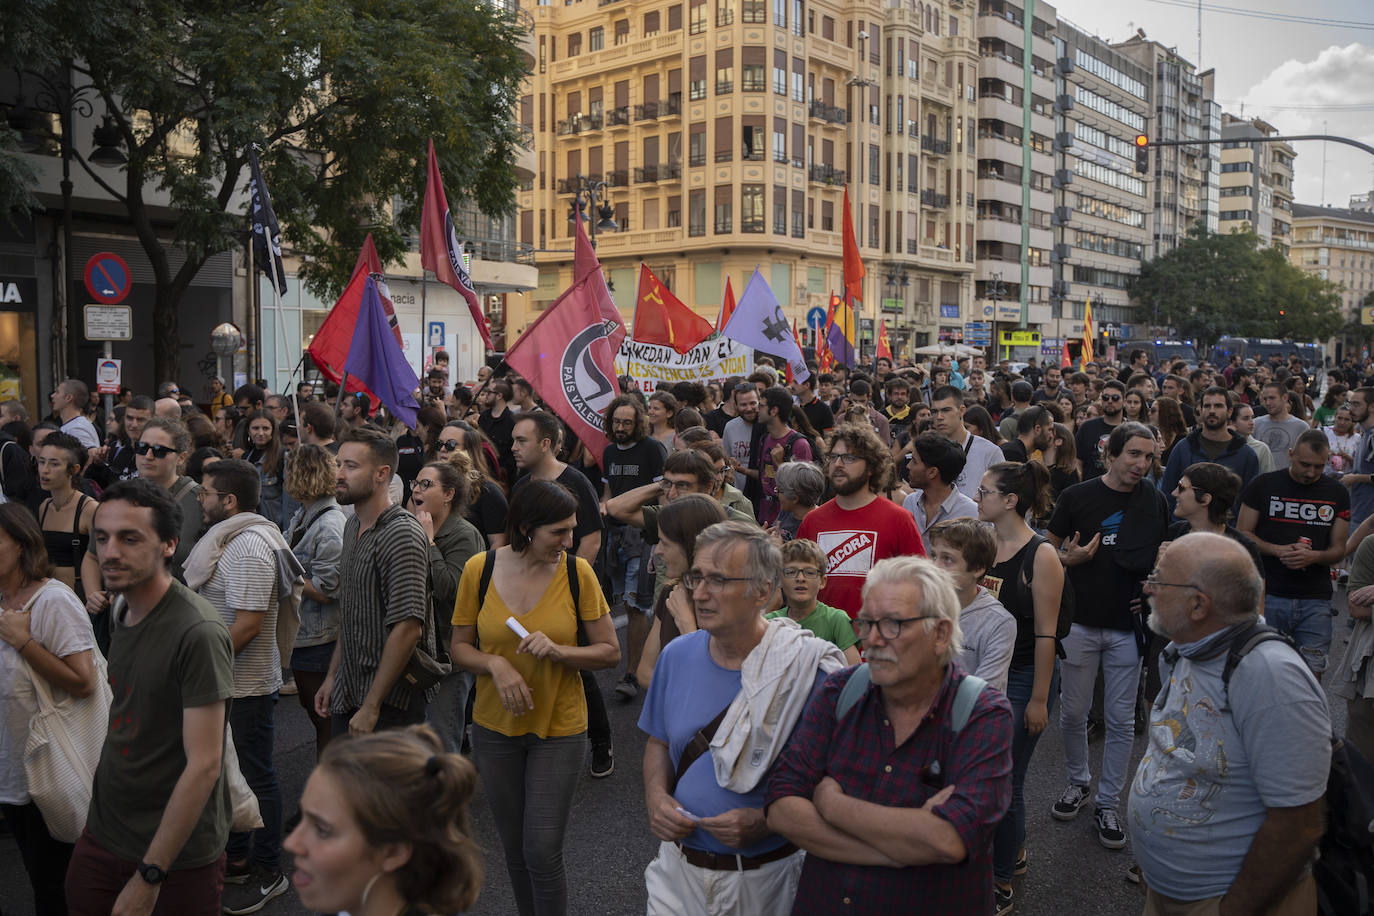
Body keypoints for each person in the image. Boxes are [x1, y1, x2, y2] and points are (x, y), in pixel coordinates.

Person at [765, 555, 1014, 916]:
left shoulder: (981, 712)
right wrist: (898, 846)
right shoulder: (839, 691)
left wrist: (833, 805)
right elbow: (780, 804)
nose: (873, 640)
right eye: (866, 623)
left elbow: (951, 838)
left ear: (940, 634)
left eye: (894, 624)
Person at [640, 522, 842, 916]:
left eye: (718, 580)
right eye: (696, 577)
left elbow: (834, 786)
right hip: (675, 873)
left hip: (765, 882)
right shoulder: (677, 655)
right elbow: (658, 743)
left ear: (763, 592)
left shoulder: (807, 673)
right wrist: (656, 798)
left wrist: (768, 821)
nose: (699, 593)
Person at [1130, 533, 1331, 915]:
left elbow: (1298, 824)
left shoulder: (1271, 675)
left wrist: (1233, 910)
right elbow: (1170, 759)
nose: (1147, 586)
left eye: (1158, 578)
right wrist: (1153, 861)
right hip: (1170, 893)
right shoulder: (1186, 649)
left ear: (1198, 604)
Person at [449, 480, 620, 916]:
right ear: (526, 527)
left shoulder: (577, 573)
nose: (569, 542)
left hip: (559, 728)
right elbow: (459, 647)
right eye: (558, 533)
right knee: (515, 851)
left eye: (572, 530)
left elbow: (609, 652)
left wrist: (562, 651)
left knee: (542, 851)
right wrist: (496, 665)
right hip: (494, 728)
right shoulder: (479, 569)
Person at [65, 479, 235, 916]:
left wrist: (151, 874)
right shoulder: (122, 608)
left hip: (174, 857)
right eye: (101, 538)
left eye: (130, 538)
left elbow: (204, 765)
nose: (110, 551)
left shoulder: (196, 632)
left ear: (169, 545)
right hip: (105, 833)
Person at [1047, 422, 1168, 851]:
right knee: (1074, 713)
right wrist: (1068, 559)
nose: (1142, 464)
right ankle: (1078, 782)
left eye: (1149, 456)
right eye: (1134, 454)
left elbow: (1165, 554)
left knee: (1121, 722)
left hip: (1127, 630)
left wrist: (1154, 591)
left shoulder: (1155, 500)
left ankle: (1107, 802)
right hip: (1078, 624)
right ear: (1110, 455)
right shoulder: (1077, 496)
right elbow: (1047, 550)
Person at [182, 456, 293, 913]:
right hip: (224, 682)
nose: (200, 499)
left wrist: (197, 663)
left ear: (228, 501)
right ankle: (239, 860)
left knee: (255, 776)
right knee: (229, 777)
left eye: (206, 493)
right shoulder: (226, 537)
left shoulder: (247, 547)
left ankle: (269, 870)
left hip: (242, 686)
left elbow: (247, 626)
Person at [0, 504, 103, 916]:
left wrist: (24, 643)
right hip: (11, 765)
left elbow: (84, 682)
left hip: (47, 767)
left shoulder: (53, 601)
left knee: (55, 888)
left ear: (23, 546)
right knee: (36, 874)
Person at [974, 461, 1064, 910]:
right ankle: (1017, 850)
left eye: (985, 490)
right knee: (997, 776)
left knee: (1005, 782)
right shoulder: (984, 542)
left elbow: (1048, 633)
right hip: (987, 672)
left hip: (1025, 673)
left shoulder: (1041, 554)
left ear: (1010, 500)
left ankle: (1001, 879)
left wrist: (1039, 700)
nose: (977, 496)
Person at [510, 411, 614, 775]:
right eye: (513, 441)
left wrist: (566, 586)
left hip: (568, 593)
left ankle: (600, 742)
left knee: (576, 665)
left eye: (521, 441)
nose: (513, 448)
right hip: (528, 593)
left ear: (545, 444)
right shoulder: (522, 485)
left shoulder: (576, 481)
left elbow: (591, 539)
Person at [285, 725, 483, 916]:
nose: (291, 843)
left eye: (322, 830)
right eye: (303, 819)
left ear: (393, 851)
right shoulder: (346, 903)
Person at [317, 427, 438, 734]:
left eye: (351, 466)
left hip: (389, 706)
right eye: (338, 464)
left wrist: (372, 707)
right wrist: (334, 676)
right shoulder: (352, 524)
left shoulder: (401, 534)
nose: (339, 473)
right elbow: (352, 612)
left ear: (382, 473)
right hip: (352, 692)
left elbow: (408, 628)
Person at [1236, 429, 1350, 678]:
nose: (1311, 473)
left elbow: (1339, 549)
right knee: (1264, 672)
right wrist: (1277, 550)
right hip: (1269, 594)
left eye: (1319, 467)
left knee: (1310, 676)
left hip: (1315, 599)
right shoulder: (1264, 485)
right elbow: (1242, 532)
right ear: (1290, 455)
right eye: (1305, 464)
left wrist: (1315, 557)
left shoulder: (1336, 493)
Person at [798, 423, 927, 617]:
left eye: (849, 457)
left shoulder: (898, 519)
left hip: (877, 641)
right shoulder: (813, 520)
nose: (838, 464)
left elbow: (921, 584)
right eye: (834, 457)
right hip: (822, 643)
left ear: (870, 467)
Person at [412, 460, 484, 753]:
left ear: (449, 494)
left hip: (449, 653)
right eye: (415, 483)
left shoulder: (463, 535)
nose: (416, 489)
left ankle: (449, 795)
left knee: (443, 736)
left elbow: (450, 590)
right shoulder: (414, 526)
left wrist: (429, 543)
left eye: (426, 484)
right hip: (420, 648)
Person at [601, 394, 669, 700]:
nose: (621, 427)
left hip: (642, 535)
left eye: (627, 422)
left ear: (638, 423)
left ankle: (632, 673)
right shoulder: (609, 452)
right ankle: (645, 660)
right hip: (614, 536)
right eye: (616, 421)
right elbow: (607, 490)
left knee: (635, 602)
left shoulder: (652, 449)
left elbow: (664, 492)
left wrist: (663, 533)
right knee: (625, 600)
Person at [283, 445, 346, 761]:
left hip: (319, 638)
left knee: (324, 719)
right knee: (316, 713)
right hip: (304, 632)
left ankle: (330, 794)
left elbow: (327, 590)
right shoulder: (305, 512)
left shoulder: (328, 524)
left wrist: (286, 574)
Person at [633, 495, 730, 687]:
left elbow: (711, 684)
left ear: (692, 545)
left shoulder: (730, 604)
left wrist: (686, 625)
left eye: (665, 543)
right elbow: (644, 672)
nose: (658, 551)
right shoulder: (671, 593)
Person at [927, 518, 1016, 692]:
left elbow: (984, 692)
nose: (934, 566)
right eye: (934, 556)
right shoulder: (919, 605)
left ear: (978, 569)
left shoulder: (999, 622)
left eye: (947, 559)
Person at [765, 538, 862, 665]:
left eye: (809, 572)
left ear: (822, 581)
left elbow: (853, 674)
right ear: (780, 581)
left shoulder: (836, 620)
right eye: (791, 572)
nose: (800, 578)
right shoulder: (770, 623)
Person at [1159, 387, 1259, 507]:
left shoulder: (1246, 455)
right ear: (1200, 411)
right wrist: (1176, 523)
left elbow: (1248, 502)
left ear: (1229, 411)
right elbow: (1167, 493)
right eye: (1207, 406)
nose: (1212, 411)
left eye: (1218, 406)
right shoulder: (1182, 448)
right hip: (1185, 523)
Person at [35, 431, 98, 603]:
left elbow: (103, 559)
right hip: (47, 598)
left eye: (54, 464)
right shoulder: (44, 507)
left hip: (81, 599)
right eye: (41, 462)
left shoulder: (89, 508)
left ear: (74, 469)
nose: (45, 470)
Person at [901, 431, 978, 542]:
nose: (908, 466)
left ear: (932, 472)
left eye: (914, 461)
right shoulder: (910, 502)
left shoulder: (970, 513)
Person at [929, 386, 1003, 499]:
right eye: (934, 411)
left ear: (962, 410)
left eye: (946, 410)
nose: (939, 417)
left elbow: (1002, 498)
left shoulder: (989, 452)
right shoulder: (927, 452)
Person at [757, 386, 815, 526]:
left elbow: (804, 489)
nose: (756, 409)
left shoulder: (799, 444)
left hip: (788, 520)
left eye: (761, 405)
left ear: (774, 411)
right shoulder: (764, 439)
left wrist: (780, 463)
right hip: (765, 514)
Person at [1253, 381, 1311, 472]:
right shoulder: (1255, 424)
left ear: (1284, 397)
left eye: (1272, 398)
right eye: (1265, 399)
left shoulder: (1301, 427)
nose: (1268, 403)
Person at [1075, 379, 1126, 480]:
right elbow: (1077, 461)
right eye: (1105, 397)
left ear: (1124, 401)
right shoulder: (1087, 427)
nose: (1110, 401)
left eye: (1115, 398)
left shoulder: (1131, 430)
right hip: (1090, 489)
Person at [773, 460, 826, 541]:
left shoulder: (818, 526)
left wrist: (780, 548)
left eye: (779, 491)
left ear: (794, 498)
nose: (777, 494)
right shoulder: (786, 512)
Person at [50, 378, 101, 449]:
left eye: (57, 392)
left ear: (68, 398)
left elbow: (89, 457)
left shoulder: (77, 429)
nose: (52, 396)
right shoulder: (73, 425)